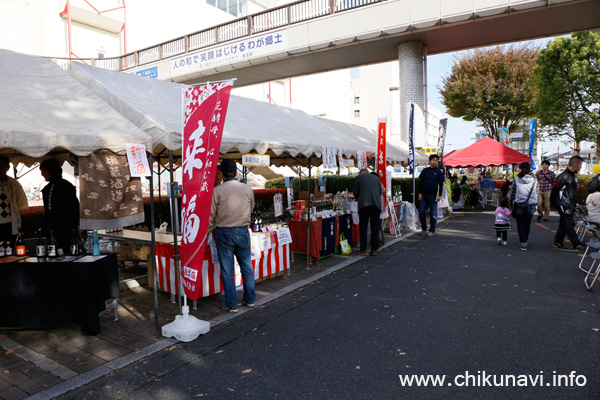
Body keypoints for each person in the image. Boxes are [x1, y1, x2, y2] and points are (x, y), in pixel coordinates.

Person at [209, 159, 256, 313]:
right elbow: (252, 206)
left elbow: (211, 215)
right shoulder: (247, 188)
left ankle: (232, 304)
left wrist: (207, 232)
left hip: (224, 232)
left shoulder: (217, 191)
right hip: (243, 230)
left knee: (228, 270)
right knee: (246, 266)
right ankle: (250, 299)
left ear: (221, 174)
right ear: (236, 172)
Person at [40, 158, 79, 253]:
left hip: (66, 228)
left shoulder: (65, 186)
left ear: (52, 170)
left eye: (44, 170)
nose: (42, 174)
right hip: (53, 230)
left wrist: (77, 223)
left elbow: (73, 207)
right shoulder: (48, 188)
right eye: (42, 171)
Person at [551, 155, 585, 251]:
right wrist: (554, 203)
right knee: (569, 223)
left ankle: (558, 241)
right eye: (580, 165)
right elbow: (555, 190)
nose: (580, 167)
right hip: (563, 204)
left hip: (570, 204)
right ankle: (576, 243)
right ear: (575, 164)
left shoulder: (573, 175)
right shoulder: (563, 176)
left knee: (564, 223)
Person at [509, 162, 538, 251]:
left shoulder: (517, 179)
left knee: (520, 224)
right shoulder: (534, 179)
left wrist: (510, 203)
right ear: (529, 169)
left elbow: (513, 192)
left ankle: (523, 242)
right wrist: (537, 204)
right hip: (531, 204)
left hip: (519, 204)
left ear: (520, 169)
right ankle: (525, 239)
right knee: (527, 223)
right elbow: (537, 192)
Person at [353, 168, 382, 255]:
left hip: (364, 205)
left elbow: (355, 192)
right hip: (376, 205)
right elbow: (380, 192)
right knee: (375, 227)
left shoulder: (358, 178)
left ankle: (363, 249)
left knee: (363, 227)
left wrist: (359, 197)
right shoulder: (377, 178)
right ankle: (374, 249)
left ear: (361, 173)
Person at [0, 156, 28, 245]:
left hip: (11, 224)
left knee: (11, 249)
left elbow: (21, 204)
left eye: (1, 166)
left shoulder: (14, 183)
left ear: (7, 168)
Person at [418, 154, 445, 236]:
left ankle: (432, 230)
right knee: (421, 212)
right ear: (430, 161)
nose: (435, 162)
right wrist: (420, 193)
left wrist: (439, 195)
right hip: (424, 195)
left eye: (436, 160)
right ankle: (424, 228)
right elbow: (420, 183)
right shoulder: (425, 171)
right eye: (434, 160)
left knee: (433, 214)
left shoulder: (439, 172)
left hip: (433, 195)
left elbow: (441, 184)